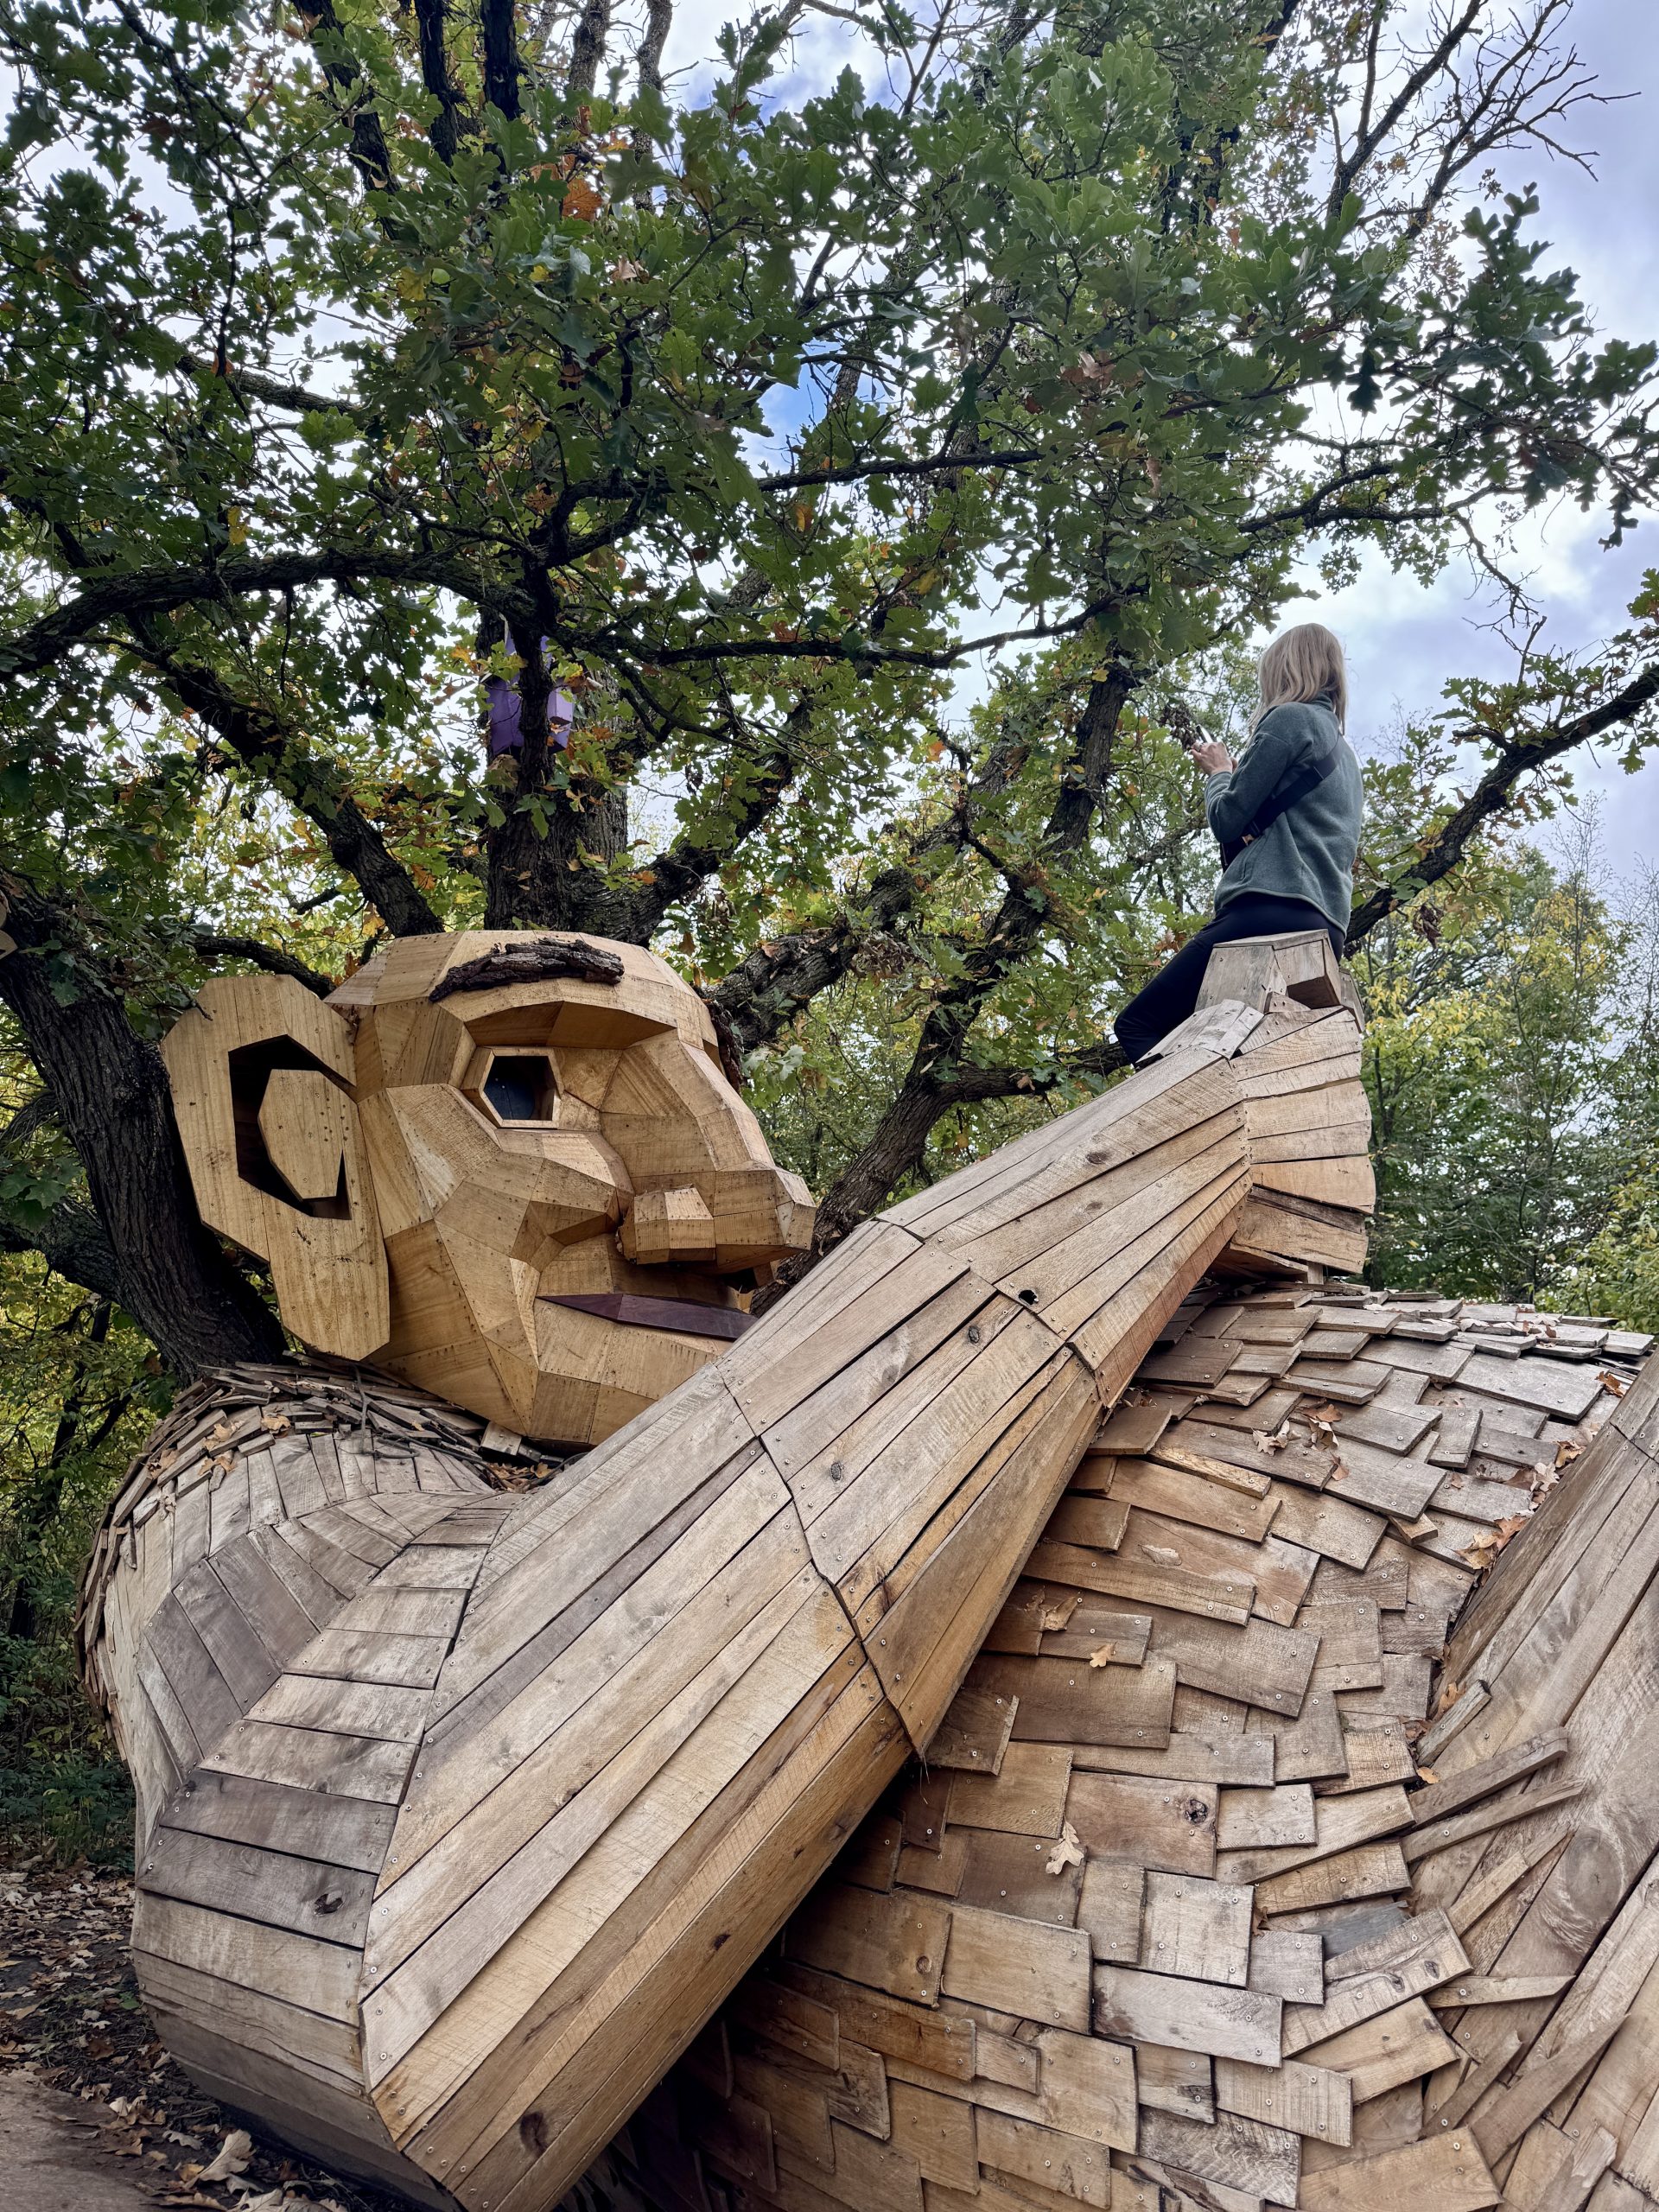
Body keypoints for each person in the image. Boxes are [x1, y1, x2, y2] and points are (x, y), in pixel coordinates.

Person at [1114, 621, 1363, 1067]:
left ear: (1285, 671)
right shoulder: (1348, 759)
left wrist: (1219, 772)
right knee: (1237, 1045)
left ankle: (1183, 1119)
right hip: (1328, 929)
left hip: (1269, 908)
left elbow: (1227, 819)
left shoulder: (1290, 720)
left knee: (1137, 1025)